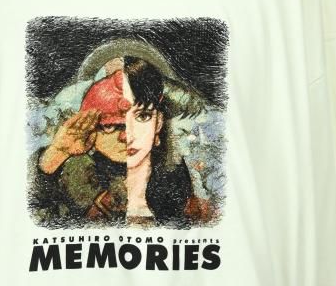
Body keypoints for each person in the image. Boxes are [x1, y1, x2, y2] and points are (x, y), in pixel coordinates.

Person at [27, 55, 216, 227]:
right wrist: (55, 155)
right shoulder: (74, 181)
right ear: (89, 129)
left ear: (158, 123)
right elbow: (30, 216)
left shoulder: (180, 186)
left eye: (142, 116)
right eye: (111, 126)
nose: (127, 136)